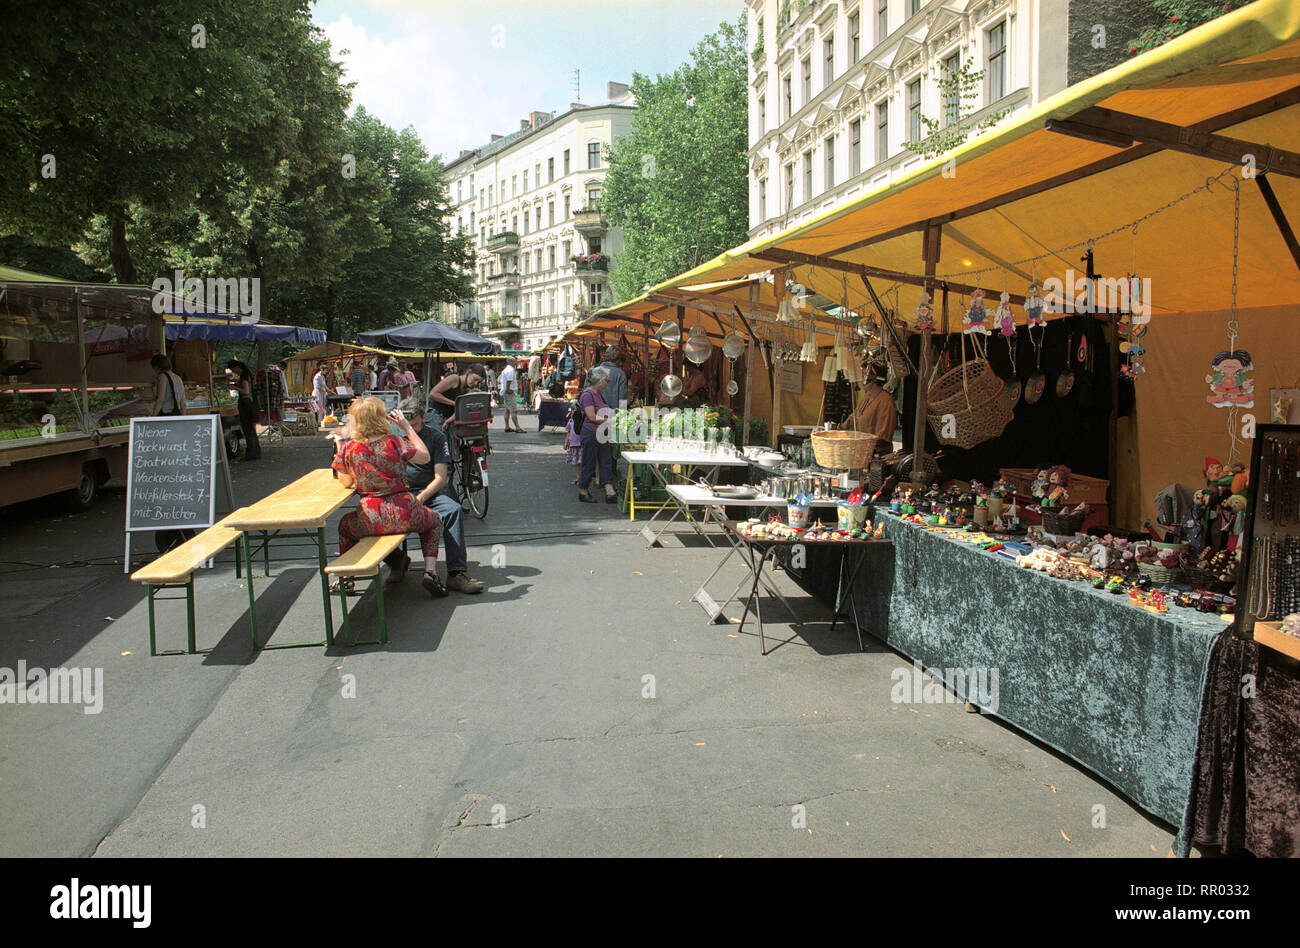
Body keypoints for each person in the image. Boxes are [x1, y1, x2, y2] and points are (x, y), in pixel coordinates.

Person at [329, 397, 446, 597]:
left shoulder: (350, 448)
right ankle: (430, 572)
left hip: (371, 519)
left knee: (345, 526)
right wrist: (407, 428)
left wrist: (340, 446)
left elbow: (345, 482)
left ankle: (347, 579)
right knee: (433, 520)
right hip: (405, 513)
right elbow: (425, 456)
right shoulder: (394, 441)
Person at [398, 398, 485, 594]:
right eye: (408, 425)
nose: (411, 429)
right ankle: (396, 561)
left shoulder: (436, 437)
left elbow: (440, 478)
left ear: (423, 418)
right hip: (401, 494)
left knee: (453, 510)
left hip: (427, 492)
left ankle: (456, 573)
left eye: (415, 425)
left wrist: (421, 497)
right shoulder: (393, 437)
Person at [576, 365, 616, 504]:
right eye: (606, 380)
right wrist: (609, 420)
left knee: (605, 461)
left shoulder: (597, 393)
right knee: (589, 462)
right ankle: (583, 491)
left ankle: (609, 491)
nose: (607, 383)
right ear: (599, 380)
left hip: (600, 432)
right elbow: (592, 417)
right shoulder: (588, 395)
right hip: (591, 432)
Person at [848, 361, 896, 455]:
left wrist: (861, 442)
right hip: (861, 451)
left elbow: (883, 436)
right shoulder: (867, 397)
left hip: (876, 454)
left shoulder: (886, 402)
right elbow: (854, 417)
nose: (862, 379)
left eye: (864, 375)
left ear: (873, 379)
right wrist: (839, 429)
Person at [427, 362, 487, 431]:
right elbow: (433, 394)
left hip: (447, 419)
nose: (476, 383)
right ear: (469, 372)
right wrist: (454, 403)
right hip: (436, 416)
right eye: (475, 379)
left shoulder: (467, 389)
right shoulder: (455, 379)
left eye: (478, 382)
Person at [226, 359, 263, 460]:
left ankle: (251, 453)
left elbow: (246, 391)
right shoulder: (248, 374)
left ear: (237, 367)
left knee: (248, 429)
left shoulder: (244, 376)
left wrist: (234, 388)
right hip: (251, 404)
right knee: (251, 430)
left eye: (233, 370)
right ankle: (255, 451)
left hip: (246, 404)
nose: (234, 372)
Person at [498, 357, 525, 433]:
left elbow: (500, 379)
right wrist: (508, 389)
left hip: (505, 392)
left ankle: (507, 426)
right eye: (514, 361)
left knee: (507, 410)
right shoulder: (510, 370)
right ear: (510, 362)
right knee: (513, 411)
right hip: (509, 392)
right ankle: (517, 427)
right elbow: (509, 381)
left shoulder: (506, 370)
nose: (516, 362)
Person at [598, 345, 628, 413]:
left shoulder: (593, 370)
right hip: (613, 415)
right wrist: (622, 417)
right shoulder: (620, 374)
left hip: (594, 415)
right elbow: (622, 400)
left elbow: (586, 393)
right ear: (617, 359)